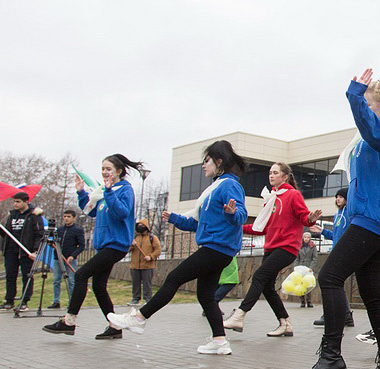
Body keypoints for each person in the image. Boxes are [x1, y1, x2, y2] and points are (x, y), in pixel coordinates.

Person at [295, 69, 380, 369]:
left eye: (368, 103)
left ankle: (331, 357)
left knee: (330, 277)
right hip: (369, 217)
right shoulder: (377, 132)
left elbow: (373, 133)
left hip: (374, 218)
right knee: (372, 295)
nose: (364, 108)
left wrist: (353, 95)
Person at [106, 141, 248, 355]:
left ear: (219, 162)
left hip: (218, 248)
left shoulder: (229, 185)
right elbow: (200, 224)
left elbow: (241, 215)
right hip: (216, 247)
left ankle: (139, 318)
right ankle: (219, 341)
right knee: (206, 296)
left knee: (173, 278)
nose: (203, 166)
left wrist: (231, 213)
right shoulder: (215, 188)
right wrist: (175, 219)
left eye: (206, 161)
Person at [42, 155, 142, 339]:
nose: (104, 172)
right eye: (102, 168)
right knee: (98, 286)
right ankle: (115, 326)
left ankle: (68, 322)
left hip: (116, 244)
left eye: (108, 169)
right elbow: (91, 210)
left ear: (119, 171)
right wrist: (81, 192)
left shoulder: (124, 190)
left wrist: (110, 192)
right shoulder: (103, 191)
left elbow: (122, 213)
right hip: (105, 245)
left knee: (80, 275)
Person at [223, 162, 321, 338]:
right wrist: (236, 225)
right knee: (267, 286)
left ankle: (239, 315)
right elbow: (261, 227)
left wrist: (311, 218)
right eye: (270, 173)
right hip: (271, 246)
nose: (271, 176)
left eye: (275, 173)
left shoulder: (293, 195)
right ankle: (285, 323)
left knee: (260, 276)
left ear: (285, 177)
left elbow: (304, 217)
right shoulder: (271, 199)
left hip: (287, 247)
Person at [309, 187, 353, 327]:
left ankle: (330, 314)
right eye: (336, 197)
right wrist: (322, 231)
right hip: (336, 251)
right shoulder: (337, 215)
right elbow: (336, 236)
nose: (337, 199)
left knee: (329, 281)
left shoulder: (350, 213)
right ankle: (346, 316)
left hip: (345, 252)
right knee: (335, 283)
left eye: (341, 196)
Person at [2, 192, 45, 310]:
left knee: (27, 276)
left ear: (26, 202)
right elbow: (5, 233)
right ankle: (9, 300)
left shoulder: (33, 215)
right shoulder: (11, 215)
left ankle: (25, 301)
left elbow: (39, 234)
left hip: (26, 251)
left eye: (18, 201)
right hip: (11, 250)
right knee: (10, 275)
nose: (15, 204)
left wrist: (36, 251)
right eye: (14, 201)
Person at [49, 210, 85, 309]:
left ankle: (72, 302)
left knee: (71, 281)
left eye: (68, 216)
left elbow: (81, 246)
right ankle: (56, 301)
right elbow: (54, 242)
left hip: (70, 259)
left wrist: (72, 256)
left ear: (74, 218)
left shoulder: (78, 230)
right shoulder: (59, 230)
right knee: (56, 280)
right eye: (64, 216)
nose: (66, 218)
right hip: (58, 258)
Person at [128, 218, 161, 306]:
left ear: (146, 227)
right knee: (135, 283)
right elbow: (128, 249)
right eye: (139, 226)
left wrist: (150, 257)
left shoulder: (152, 238)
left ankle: (148, 299)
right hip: (135, 266)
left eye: (142, 226)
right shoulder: (134, 238)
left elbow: (158, 250)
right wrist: (131, 244)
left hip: (147, 266)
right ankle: (135, 299)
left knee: (147, 284)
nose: (140, 227)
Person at [298, 231, 317, 307]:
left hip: (309, 268)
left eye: (308, 237)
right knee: (301, 284)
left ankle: (309, 301)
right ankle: (302, 301)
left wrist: (311, 267)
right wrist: (296, 267)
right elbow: (297, 258)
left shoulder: (313, 247)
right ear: (303, 238)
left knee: (308, 284)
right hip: (301, 267)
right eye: (305, 237)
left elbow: (314, 258)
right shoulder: (300, 246)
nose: (306, 239)